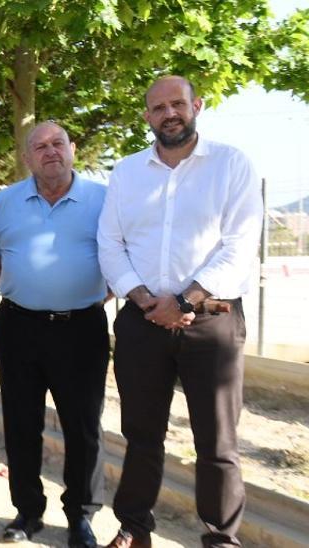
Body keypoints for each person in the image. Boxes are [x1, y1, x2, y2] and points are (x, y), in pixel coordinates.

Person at [97, 75, 261, 548]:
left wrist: (184, 300)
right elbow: (109, 243)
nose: (169, 113)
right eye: (157, 107)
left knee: (218, 442)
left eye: (177, 104)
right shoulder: (127, 173)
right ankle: (134, 528)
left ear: (197, 106)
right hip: (142, 320)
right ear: (147, 116)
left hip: (212, 320)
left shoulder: (231, 165)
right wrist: (147, 300)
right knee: (141, 433)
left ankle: (221, 537)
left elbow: (239, 244)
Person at [0, 121, 109, 548]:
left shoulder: (102, 200)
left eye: (58, 143)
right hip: (19, 327)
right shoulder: (5, 202)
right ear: (27, 157)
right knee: (20, 423)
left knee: (83, 426)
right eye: (39, 146)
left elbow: (121, 260)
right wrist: (26, 287)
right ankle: (27, 511)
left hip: (82, 330)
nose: (50, 151)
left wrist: (87, 297)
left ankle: (81, 517)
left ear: (73, 148)